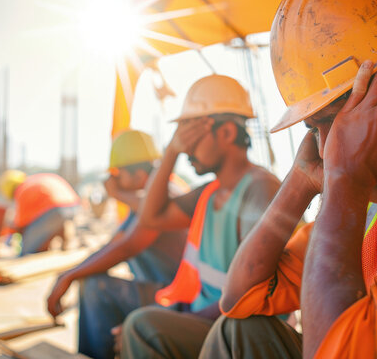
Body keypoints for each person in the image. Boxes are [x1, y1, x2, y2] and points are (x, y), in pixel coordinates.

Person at [200, 0, 377, 358]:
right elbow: (241, 296)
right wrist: (301, 180)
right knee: (237, 332)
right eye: (315, 129)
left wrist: (347, 180)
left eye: (337, 121)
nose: (327, 150)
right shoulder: (368, 203)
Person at [117, 74, 281, 358]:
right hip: (210, 318)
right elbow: (150, 218)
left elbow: (253, 292)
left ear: (227, 133)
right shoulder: (210, 192)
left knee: (141, 327)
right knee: (139, 320)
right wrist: (171, 152)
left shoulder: (260, 189)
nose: (186, 148)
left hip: (242, 332)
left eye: (191, 135)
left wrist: (176, 322)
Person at [46, 130, 188, 359]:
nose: (110, 182)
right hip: (160, 290)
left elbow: (126, 249)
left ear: (139, 175)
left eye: (117, 174)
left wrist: (69, 278)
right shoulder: (144, 201)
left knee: (96, 288)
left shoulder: (163, 198)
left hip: (177, 299)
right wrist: (70, 273)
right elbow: (113, 246)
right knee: (91, 279)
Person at [0, 170, 80, 256]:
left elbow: (20, 225)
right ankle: (65, 244)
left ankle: (43, 248)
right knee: (54, 222)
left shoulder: (22, 191)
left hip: (55, 210)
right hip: (73, 206)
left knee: (27, 251)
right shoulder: (34, 181)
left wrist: (10, 234)